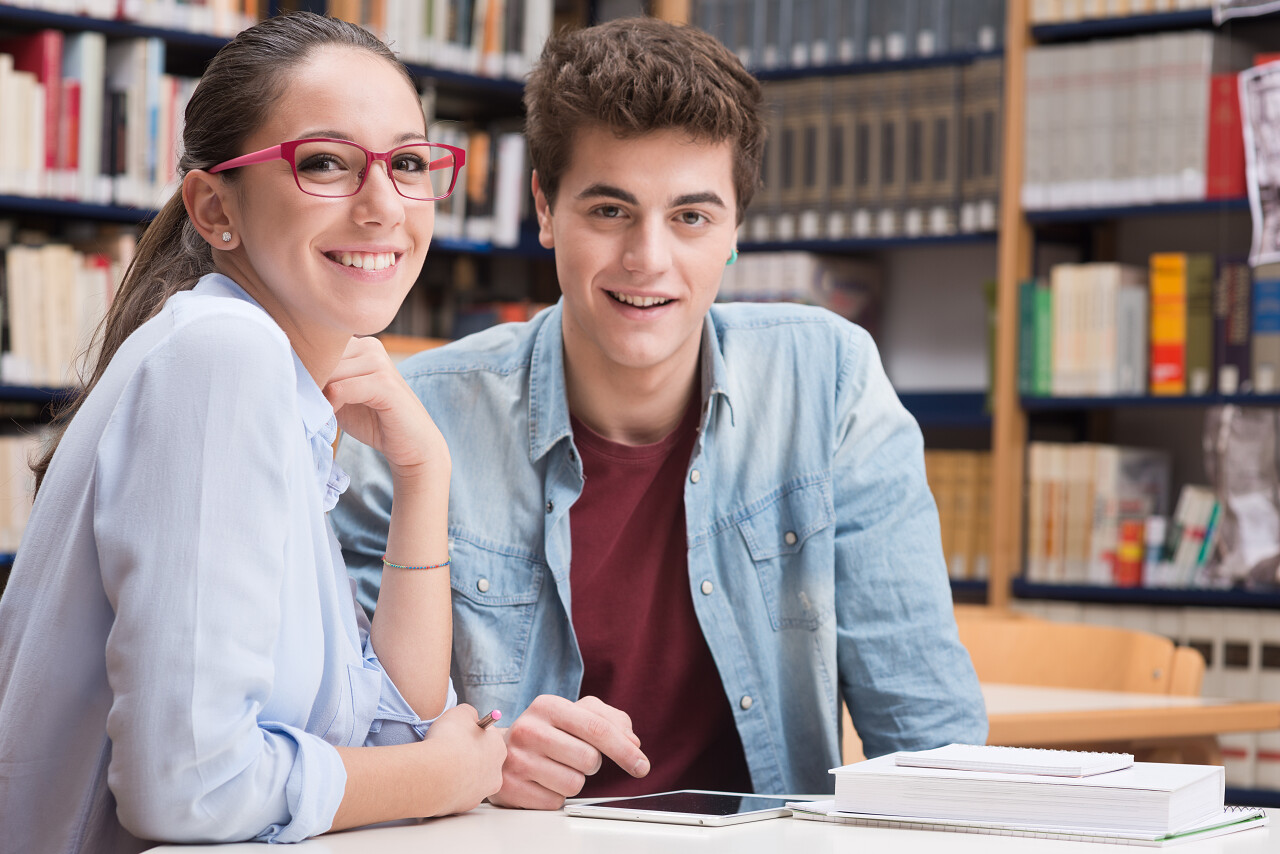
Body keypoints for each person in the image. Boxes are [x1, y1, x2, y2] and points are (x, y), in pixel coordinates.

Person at [331, 16, 986, 810]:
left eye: (691, 217)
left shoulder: (829, 381)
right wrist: (478, 764)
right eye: (609, 211)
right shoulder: (413, 423)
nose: (648, 258)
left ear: (736, 228)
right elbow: (354, 743)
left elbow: (927, 739)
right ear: (544, 207)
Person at [0, 13, 506, 853]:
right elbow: (190, 789)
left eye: (409, 163)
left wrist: (424, 476)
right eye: (326, 165)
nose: (385, 205)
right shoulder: (221, 355)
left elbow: (383, 741)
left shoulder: (272, 381)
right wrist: (447, 776)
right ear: (214, 208)